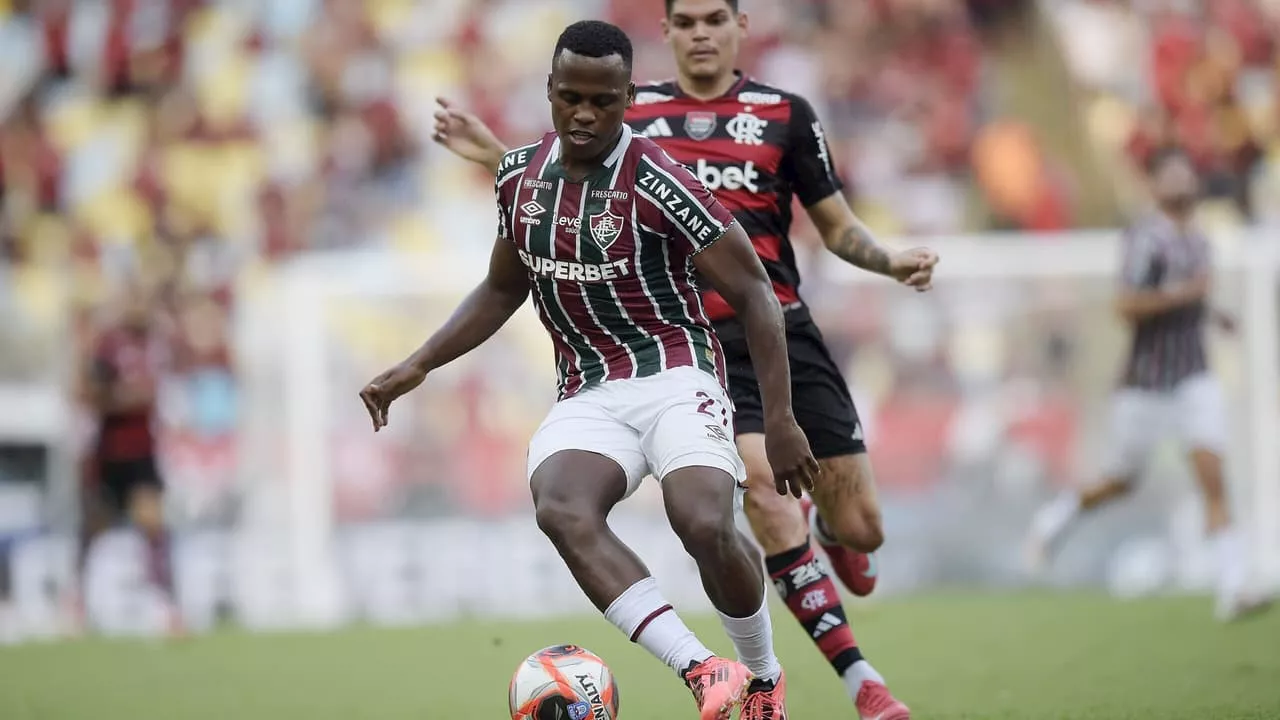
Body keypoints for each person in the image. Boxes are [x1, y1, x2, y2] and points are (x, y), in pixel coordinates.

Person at [430, 1, 936, 717]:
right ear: (666, 34)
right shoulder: (632, 115)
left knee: (860, 527)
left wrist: (888, 259)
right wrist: (494, 153)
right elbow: (566, 168)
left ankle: (828, 540)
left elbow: (835, 224)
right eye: (686, 21)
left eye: (713, 19)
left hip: (779, 324)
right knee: (750, 494)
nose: (701, 33)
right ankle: (835, 682)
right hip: (689, 340)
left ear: (740, 28)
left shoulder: (785, 114)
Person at [362, 20, 816, 720]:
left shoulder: (664, 181)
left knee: (700, 521)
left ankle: (762, 681)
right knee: (560, 507)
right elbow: (503, 287)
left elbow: (755, 290)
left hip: (675, 374)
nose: (584, 113)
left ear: (628, 97)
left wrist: (781, 420)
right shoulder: (519, 180)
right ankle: (700, 670)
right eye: (570, 96)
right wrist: (417, 365)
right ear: (549, 90)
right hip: (590, 389)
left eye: (602, 101)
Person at [1025, 148, 1270, 623]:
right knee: (1121, 479)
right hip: (1146, 384)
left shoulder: (1200, 240)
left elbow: (1193, 299)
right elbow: (1126, 306)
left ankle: (1233, 585)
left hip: (1194, 376)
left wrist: (1214, 315)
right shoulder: (1146, 241)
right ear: (1155, 186)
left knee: (1212, 472)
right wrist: (1185, 297)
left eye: (1186, 174)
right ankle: (1059, 516)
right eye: (1172, 176)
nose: (1182, 184)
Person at [79, 283, 181, 635]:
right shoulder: (109, 345)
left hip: (143, 450)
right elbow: (89, 391)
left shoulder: (157, 343)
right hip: (111, 449)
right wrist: (124, 398)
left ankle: (164, 605)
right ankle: (76, 600)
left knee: (152, 524)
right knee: (94, 526)